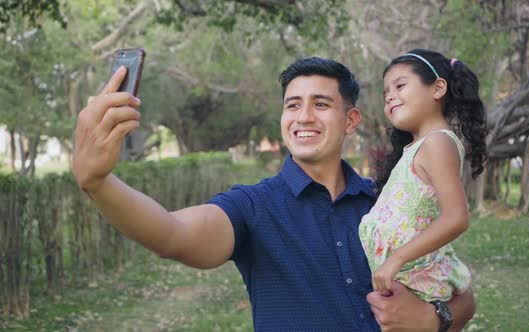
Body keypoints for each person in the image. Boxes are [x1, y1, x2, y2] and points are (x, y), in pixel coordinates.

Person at [72, 57, 475, 331]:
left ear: (350, 120)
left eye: (320, 104)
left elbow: (464, 299)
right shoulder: (254, 206)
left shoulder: (386, 203)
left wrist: (431, 319)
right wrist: (99, 183)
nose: (303, 117)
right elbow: (172, 234)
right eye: (292, 106)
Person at [358, 48, 487, 327]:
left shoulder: (437, 142)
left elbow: (457, 217)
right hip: (401, 292)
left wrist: (396, 260)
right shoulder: (415, 149)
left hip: (421, 290)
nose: (390, 96)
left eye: (400, 86)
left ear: (438, 88)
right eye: (386, 93)